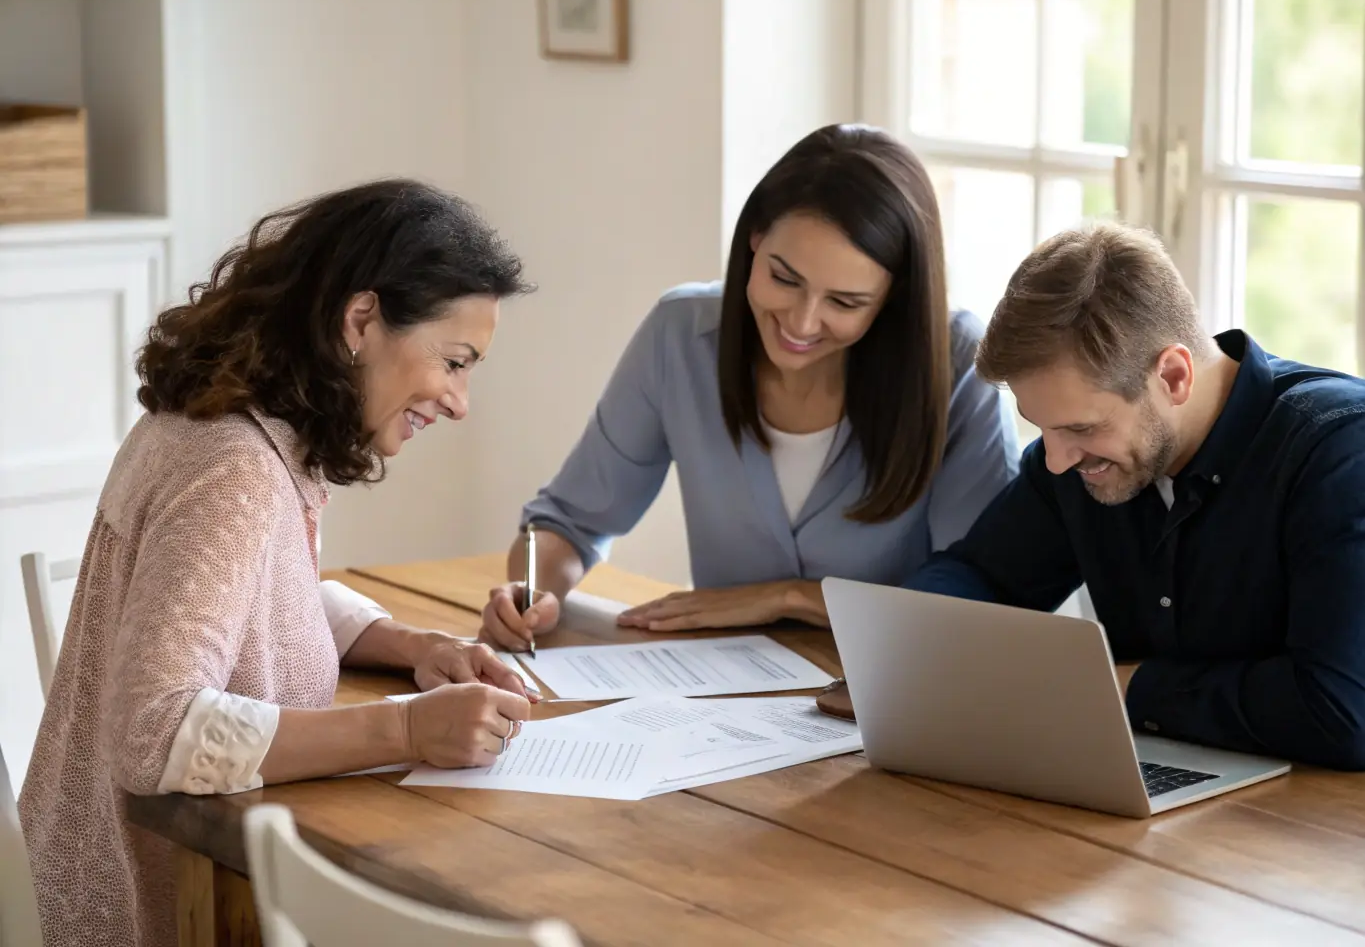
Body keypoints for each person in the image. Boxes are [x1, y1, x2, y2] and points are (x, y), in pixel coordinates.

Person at [20, 179, 538, 947]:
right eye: (455, 361)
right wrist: (406, 731)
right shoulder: (231, 468)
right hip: (146, 914)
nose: (461, 401)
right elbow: (153, 732)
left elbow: (257, 588)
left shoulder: (225, 426)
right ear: (361, 320)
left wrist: (414, 648)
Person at [479, 123, 1020, 650]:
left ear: (893, 297)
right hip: (723, 705)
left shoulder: (960, 365)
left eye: (844, 302)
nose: (803, 323)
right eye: (784, 278)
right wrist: (534, 591)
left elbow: (983, 606)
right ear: (755, 239)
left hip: (897, 705)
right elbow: (569, 522)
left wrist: (789, 598)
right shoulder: (681, 335)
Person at [908, 220, 1365, 771]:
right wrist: (904, 652)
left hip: (1321, 830)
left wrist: (1120, 687)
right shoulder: (1075, 459)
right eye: (1039, 426)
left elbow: (1342, 712)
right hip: (1154, 790)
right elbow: (982, 574)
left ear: (1173, 376)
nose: (1055, 460)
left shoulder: (1340, 452)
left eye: (1080, 428)